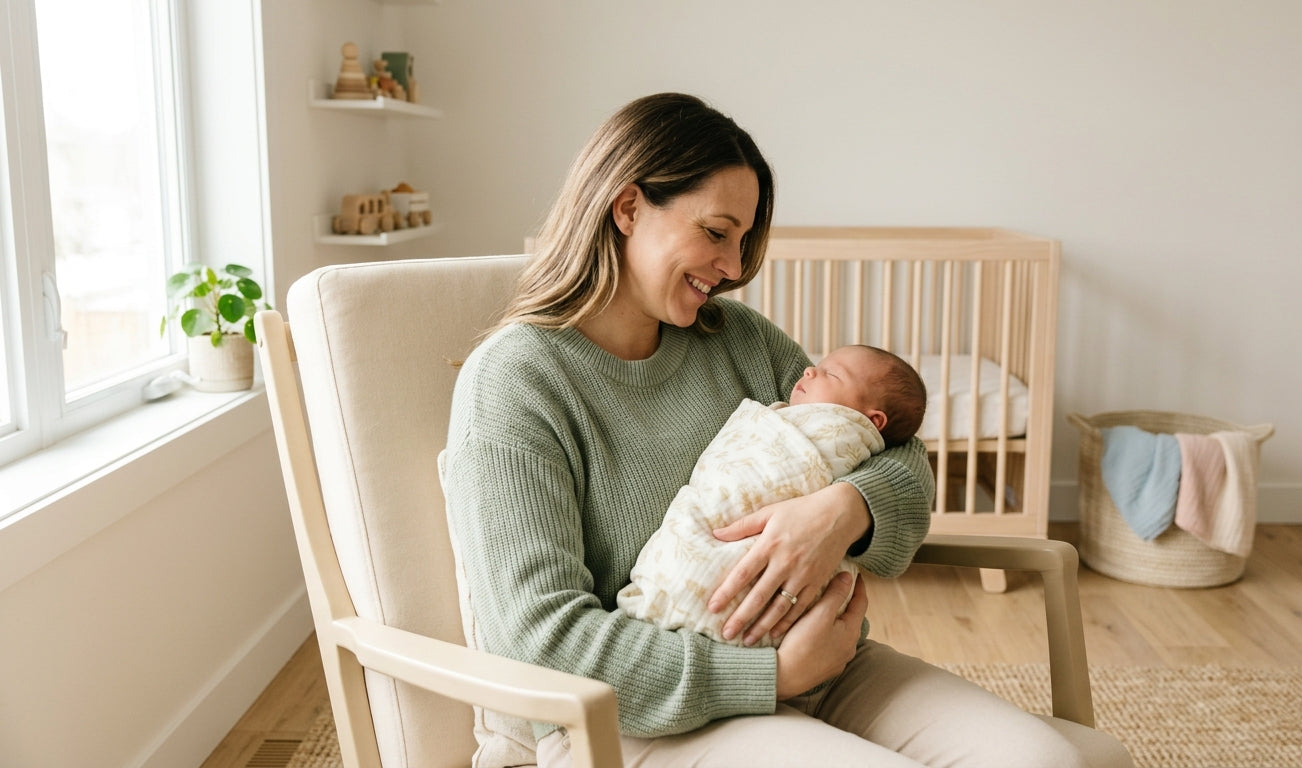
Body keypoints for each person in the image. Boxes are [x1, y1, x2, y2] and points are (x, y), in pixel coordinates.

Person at [444, 92, 1132, 767]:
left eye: (743, 241)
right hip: (626, 722)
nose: (735, 268)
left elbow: (898, 454)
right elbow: (536, 640)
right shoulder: (516, 383)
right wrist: (769, 677)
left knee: (1051, 760)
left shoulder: (736, 339)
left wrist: (844, 509)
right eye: (717, 233)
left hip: (825, 673)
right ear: (627, 207)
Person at [617, 345, 927, 647]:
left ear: (872, 422)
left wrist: (848, 506)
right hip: (661, 660)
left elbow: (910, 456)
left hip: (827, 654)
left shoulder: (752, 340)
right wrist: (779, 675)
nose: (809, 370)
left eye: (830, 372)